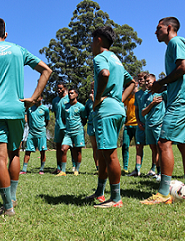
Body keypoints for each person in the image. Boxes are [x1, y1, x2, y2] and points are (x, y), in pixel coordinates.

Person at [0, 17, 51, 216]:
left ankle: (7, 207)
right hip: (17, 109)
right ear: (5, 34)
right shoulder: (18, 50)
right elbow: (46, 70)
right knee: (14, 153)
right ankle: (13, 197)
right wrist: (33, 98)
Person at [85, 26, 135, 208]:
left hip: (106, 111)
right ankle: (100, 193)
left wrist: (97, 98)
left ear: (98, 39)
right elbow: (132, 82)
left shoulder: (100, 57)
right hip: (117, 109)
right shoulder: (117, 59)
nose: (90, 45)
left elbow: (104, 74)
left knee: (110, 155)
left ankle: (115, 198)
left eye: (92, 41)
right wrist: (119, 100)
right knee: (105, 154)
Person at [141, 17, 185, 204]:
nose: (155, 32)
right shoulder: (171, 46)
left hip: (180, 103)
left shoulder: (176, 42)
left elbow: (183, 67)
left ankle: (164, 192)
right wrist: (164, 89)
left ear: (168, 28)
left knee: (163, 142)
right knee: (183, 145)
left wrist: (161, 82)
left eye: (158, 28)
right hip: (178, 98)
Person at [141, 74, 166, 179]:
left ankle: (162, 173)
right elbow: (142, 112)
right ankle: (155, 171)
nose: (147, 83)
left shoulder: (162, 93)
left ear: (154, 81)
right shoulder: (145, 95)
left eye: (149, 81)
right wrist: (152, 104)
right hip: (149, 125)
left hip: (158, 125)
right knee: (153, 150)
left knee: (161, 149)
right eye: (146, 81)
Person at [19, 95, 49, 175]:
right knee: (28, 151)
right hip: (31, 133)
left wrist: (41, 127)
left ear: (41, 98)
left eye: (37, 97)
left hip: (41, 133)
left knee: (42, 152)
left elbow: (47, 120)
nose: (35, 99)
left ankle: (41, 170)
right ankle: (24, 170)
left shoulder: (45, 109)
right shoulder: (30, 109)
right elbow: (28, 120)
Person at [59, 88, 86, 176]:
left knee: (78, 151)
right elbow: (63, 118)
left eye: (72, 93)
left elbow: (84, 119)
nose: (70, 95)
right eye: (69, 93)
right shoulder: (65, 106)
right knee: (63, 149)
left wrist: (78, 127)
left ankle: (76, 170)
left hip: (78, 131)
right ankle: (63, 171)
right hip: (68, 133)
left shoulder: (81, 107)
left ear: (76, 95)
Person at [129, 73, 148, 176]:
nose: (140, 81)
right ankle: (137, 170)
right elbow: (136, 109)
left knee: (154, 147)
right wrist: (138, 122)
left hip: (151, 124)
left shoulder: (152, 92)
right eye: (139, 80)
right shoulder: (137, 94)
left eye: (141, 80)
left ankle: (154, 170)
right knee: (138, 146)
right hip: (140, 124)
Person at [51, 82, 69, 174]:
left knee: (69, 147)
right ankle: (58, 167)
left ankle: (74, 167)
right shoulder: (55, 100)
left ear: (65, 88)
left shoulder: (69, 98)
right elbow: (55, 113)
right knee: (58, 147)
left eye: (61, 88)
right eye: (57, 88)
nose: (59, 90)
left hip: (68, 127)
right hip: (58, 126)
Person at [122, 78, 138, 175]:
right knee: (124, 145)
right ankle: (125, 167)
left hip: (137, 125)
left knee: (138, 147)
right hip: (127, 125)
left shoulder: (140, 95)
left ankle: (137, 168)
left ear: (135, 84)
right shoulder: (127, 95)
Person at [84, 82, 98, 172]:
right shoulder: (88, 102)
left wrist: (94, 101)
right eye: (91, 88)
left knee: (101, 147)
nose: (92, 90)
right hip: (91, 125)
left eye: (94, 88)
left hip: (99, 125)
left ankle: (104, 166)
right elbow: (86, 114)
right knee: (94, 147)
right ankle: (98, 167)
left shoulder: (100, 99)